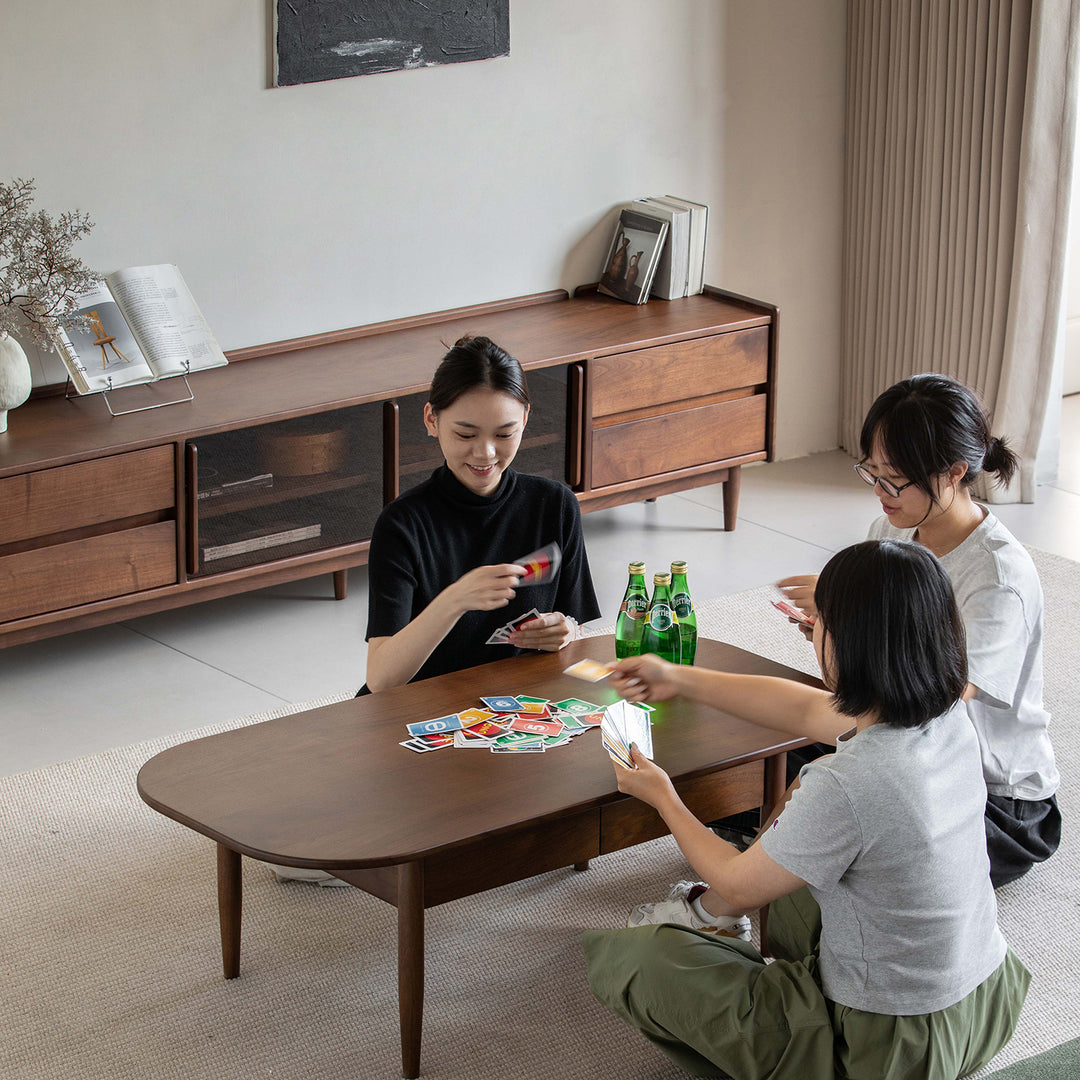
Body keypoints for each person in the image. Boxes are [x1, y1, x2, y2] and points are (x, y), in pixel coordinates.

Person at [584, 540, 1030, 1080]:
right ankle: (711, 920)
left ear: (847, 645)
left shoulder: (852, 780)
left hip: (889, 1048)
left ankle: (734, 959)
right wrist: (677, 677)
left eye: (821, 623)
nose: (812, 631)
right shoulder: (947, 718)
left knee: (638, 961)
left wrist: (663, 796)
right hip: (984, 1003)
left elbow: (737, 880)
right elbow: (799, 705)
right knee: (799, 821)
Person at [779, 374, 1060, 888]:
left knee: (837, 816)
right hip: (898, 748)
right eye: (873, 473)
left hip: (992, 796)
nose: (881, 493)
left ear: (954, 472)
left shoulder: (998, 577)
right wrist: (834, 632)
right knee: (767, 758)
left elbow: (942, 694)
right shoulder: (890, 531)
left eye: (896, 480)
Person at [362, 333, 601, 693]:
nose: (486, 453)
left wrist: (566, 631)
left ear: (525, 418)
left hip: (513, 703)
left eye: (504, 434)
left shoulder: (554, 503)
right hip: (421, 711)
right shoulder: (403, 525)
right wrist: (455, 600)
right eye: (465, 435)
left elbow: (579, 629)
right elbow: (380, 679)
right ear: (431, 420)